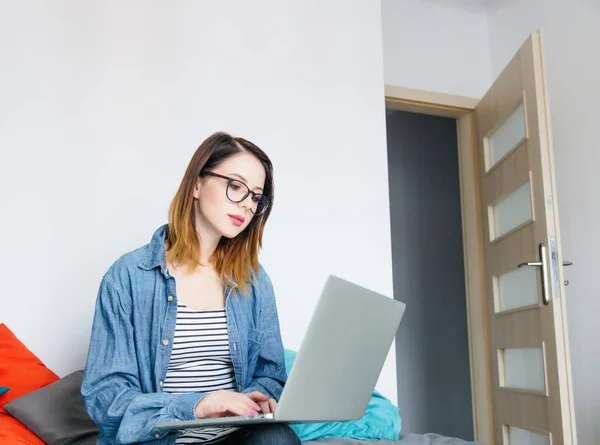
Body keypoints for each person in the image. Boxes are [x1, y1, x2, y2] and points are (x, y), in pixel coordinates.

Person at [81, 132, 301, 445]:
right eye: (235, 186)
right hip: (159, 440)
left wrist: (259, 400)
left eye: (255, 196)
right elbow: (107, 399)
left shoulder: (253, 281)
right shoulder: (127, 277)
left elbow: (271, 374)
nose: (246, 205)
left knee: (277, 438)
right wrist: (196, 405)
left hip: (232, 438)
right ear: (197, 184)